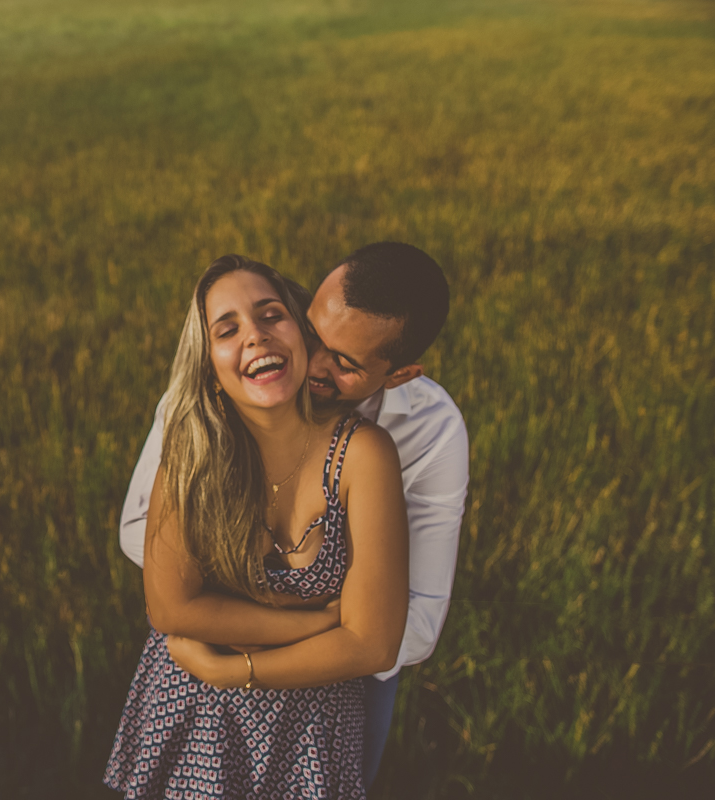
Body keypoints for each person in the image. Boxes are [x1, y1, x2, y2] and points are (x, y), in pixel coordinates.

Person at [118, 242, 470, 789]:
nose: (315, 366)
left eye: (346, 364)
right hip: (203, 680)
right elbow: (142, 540)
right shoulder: (214, 400)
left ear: (400, 374)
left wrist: (241, 660)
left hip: (337, 688)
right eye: (312, 335)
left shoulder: (423, 434)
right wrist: (318, 614)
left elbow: (408, 630)